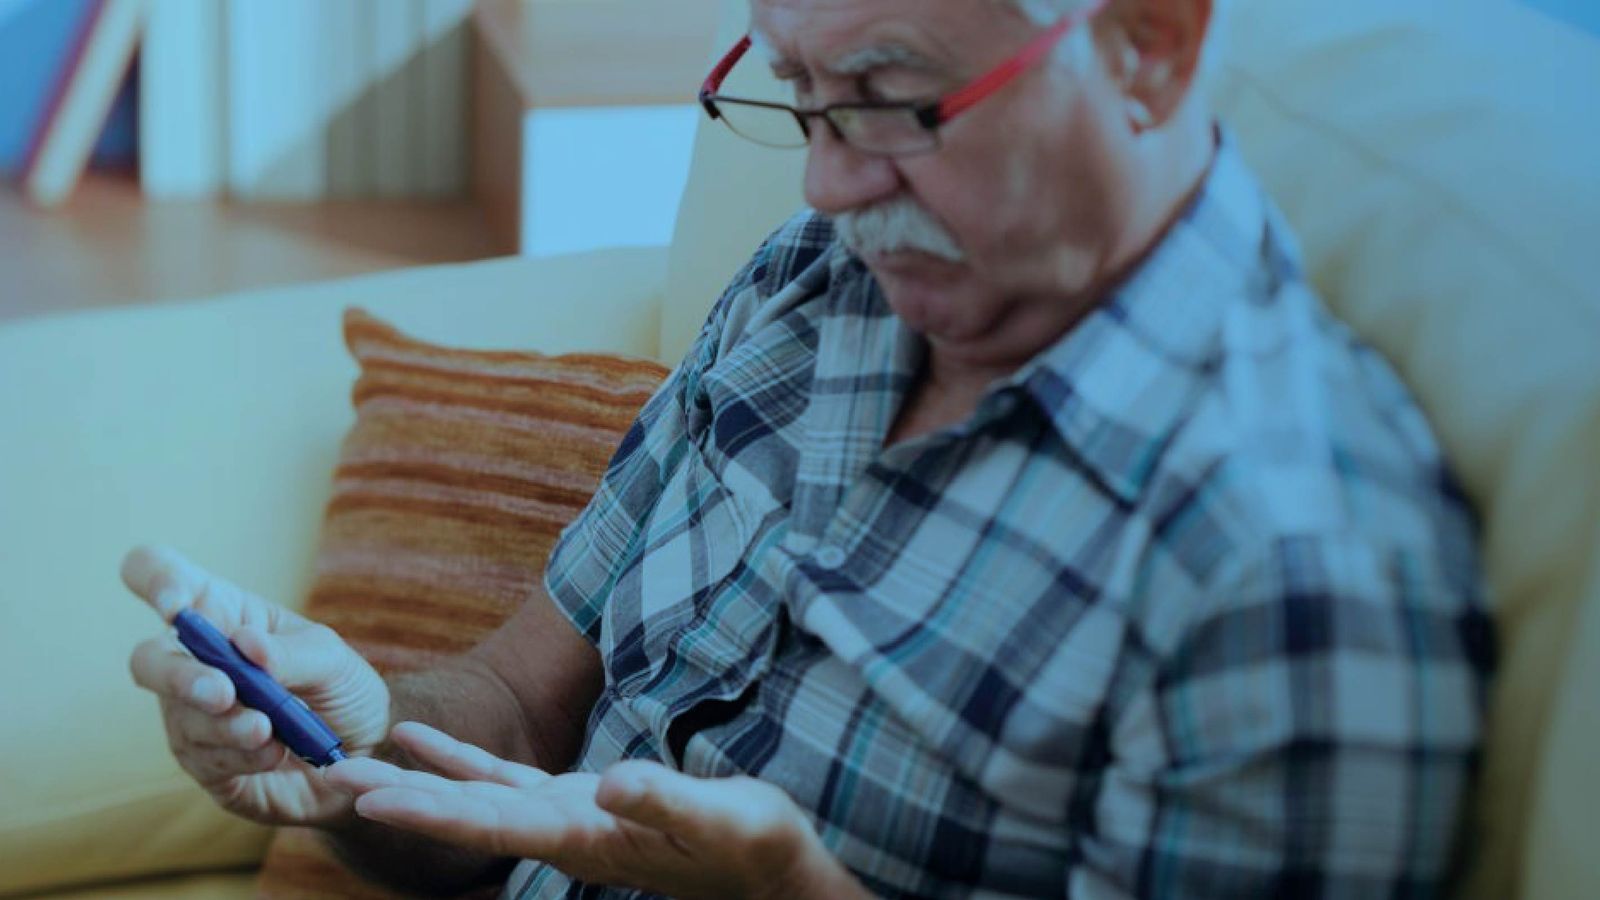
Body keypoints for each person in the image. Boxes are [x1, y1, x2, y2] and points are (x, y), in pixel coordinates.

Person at [122, 0, 1494, 896]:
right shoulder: (815, 281)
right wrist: (358, 747)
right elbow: (515, 705)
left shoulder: (1298, 577)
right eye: (801, 91)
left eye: (893, 100)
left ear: (1148, 43)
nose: (827, 178)